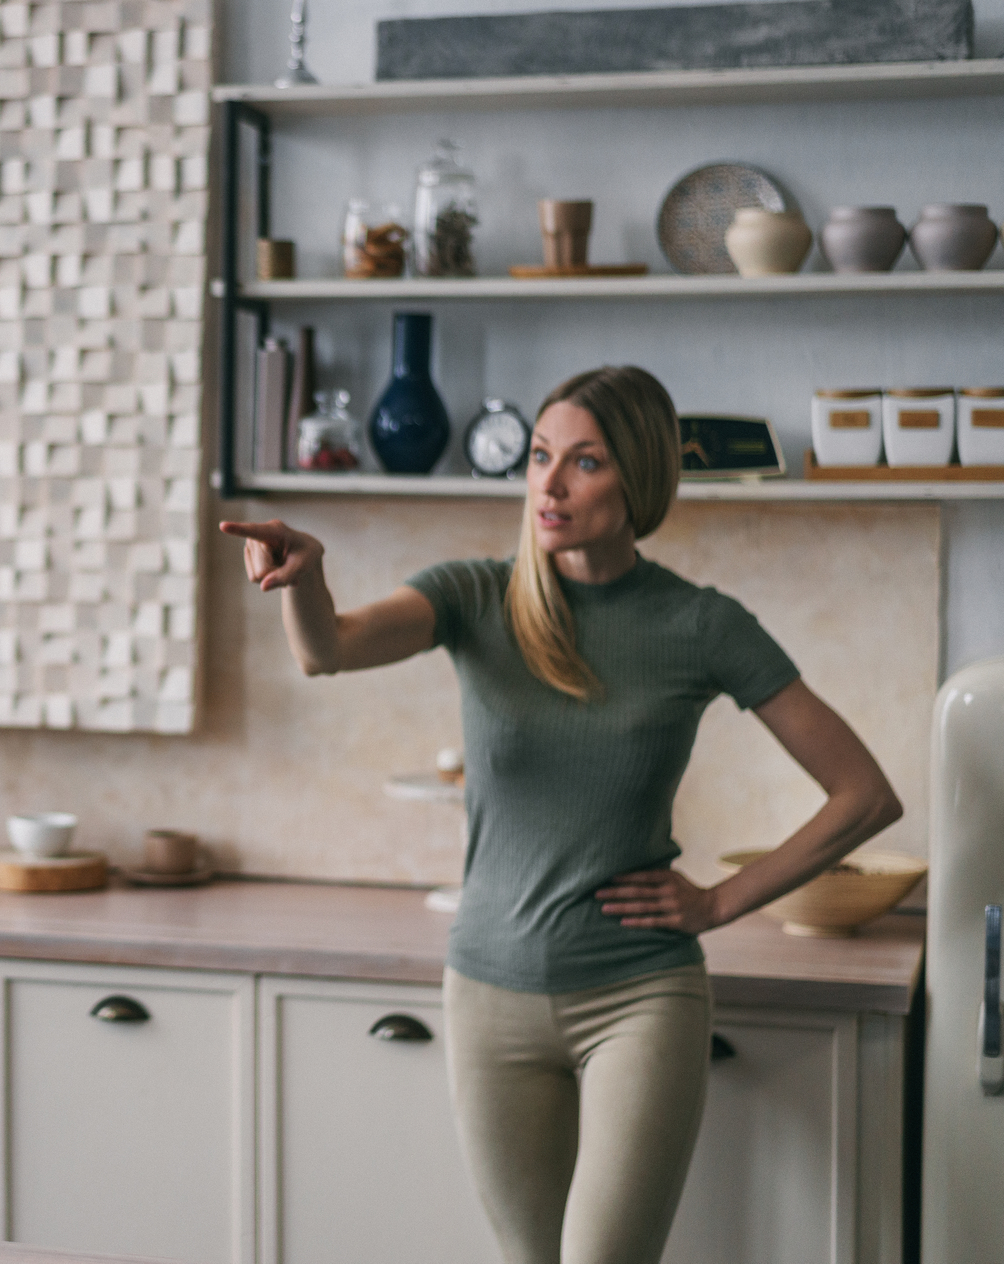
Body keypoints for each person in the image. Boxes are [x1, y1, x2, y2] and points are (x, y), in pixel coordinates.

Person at [220, 366, 902, 1264]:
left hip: (638, 998)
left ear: (641, 479)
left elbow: (864, 795)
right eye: (542, 456)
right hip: (487, 996)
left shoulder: (701, 625)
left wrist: (722, 902)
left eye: (584, 462)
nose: (549, 482)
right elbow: (328, 650)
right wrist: (305, 579)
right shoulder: (475, 595)